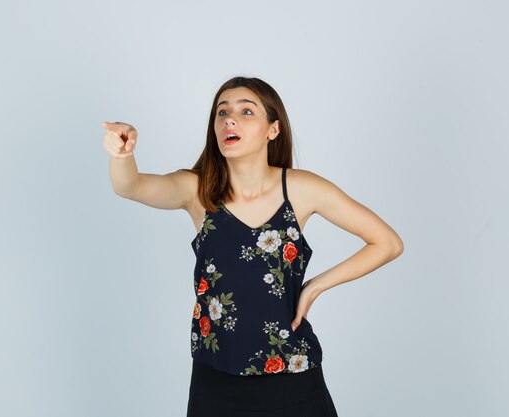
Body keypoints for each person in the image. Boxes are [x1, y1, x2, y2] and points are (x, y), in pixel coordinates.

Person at [103, 76, 404, 416]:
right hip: (216, 383)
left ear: (272, 130)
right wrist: (122, 153)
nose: (229, 119)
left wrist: (314, 287)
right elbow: (129, 186)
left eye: (246, 111)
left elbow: (387, 243)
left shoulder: (301, 190)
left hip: (293, 378)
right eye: (222, 112)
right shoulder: (197, 191)